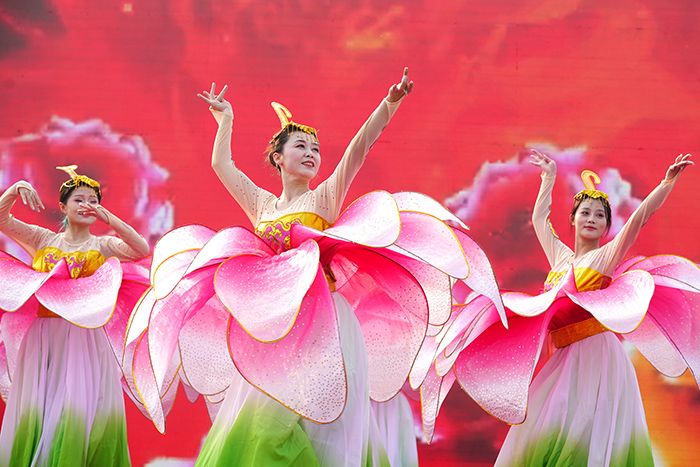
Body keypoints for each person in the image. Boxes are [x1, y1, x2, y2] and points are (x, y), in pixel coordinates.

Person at [126, 68, 500, 466]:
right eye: (301, 146)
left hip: (322, 319)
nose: (310, 153)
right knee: (263, 421)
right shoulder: (262, 205)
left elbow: (358, 149)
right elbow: (222, 165)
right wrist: (226, 120)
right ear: (278, 158)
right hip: (276, 325)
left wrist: (389, 103)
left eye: (316, 149)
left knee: (318, 429)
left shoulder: (323, 199)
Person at [426, 150, 696, 466]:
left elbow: (639, 219)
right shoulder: (561, 258)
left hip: (595, 353)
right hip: (566, 356)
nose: (592, 219)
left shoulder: (604, 258)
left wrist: (666, 184)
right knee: (547, 424)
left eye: (599, 215)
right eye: (586, 213)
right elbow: (539, 220)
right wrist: (549, 177)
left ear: (606, 225)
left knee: (583, 429)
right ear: (574, 219)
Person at [0, 166, 150, 466]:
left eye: (93, 200)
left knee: (75, 408)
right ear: (63, 207)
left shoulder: (102, 245)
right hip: (44, 336)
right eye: (79, 200)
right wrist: (15, 189)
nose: (86, 205)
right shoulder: (43, 239)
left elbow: (140, 248)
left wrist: (111, 220)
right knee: (41, 406)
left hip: (84, 339)